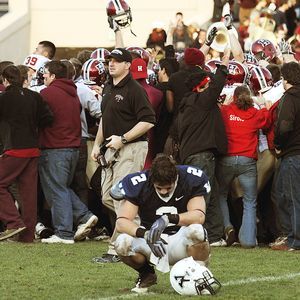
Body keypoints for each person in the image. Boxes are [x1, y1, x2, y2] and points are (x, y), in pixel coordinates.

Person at [90, 48, 156, 262]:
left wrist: (124, 139)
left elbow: (148, 121)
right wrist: (97, 144)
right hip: (111, 148)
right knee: (108, 196)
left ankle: (117, 250)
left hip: (131, 147)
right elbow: (105, 119)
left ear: (128, 65)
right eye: (110, 60)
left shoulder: (135, 89)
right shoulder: (109, 87)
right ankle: (142, 227)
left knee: (122, 198)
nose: (111, 64)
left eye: (117, 61)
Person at [112, 154, 211, 293]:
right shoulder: (139, 183)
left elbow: (199, 216)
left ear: (175, 178)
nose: (164, 191)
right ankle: (147, 274)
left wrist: (168, 219)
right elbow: (121, 222)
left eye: (168, 188)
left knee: (197, 230)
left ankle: (200, 276)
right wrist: (145, 234)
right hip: (151, 243)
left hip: (180, 240)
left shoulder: (190, 178)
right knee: (122, 243)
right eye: (159, 188)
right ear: (152, 180)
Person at [39, 60, 98, 244]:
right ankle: (84, 215)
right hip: (74, 147)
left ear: (54, 75)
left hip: (55, 147)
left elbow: (41, 118)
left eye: (46, 73)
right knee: (62, 188)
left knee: (57, 189)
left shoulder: (47, 93)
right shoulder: (73, 92)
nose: (43, 76)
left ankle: (64, 232)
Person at [177, 48, 230, 247]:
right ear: (201, 87)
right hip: (201, 156)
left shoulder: (187, 105)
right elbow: (216, 87)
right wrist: (223, 64)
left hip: (195, 155)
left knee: (212, 192)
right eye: (206, 84)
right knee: (202, 197)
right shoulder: (201, 101)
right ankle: (191, 237)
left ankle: (215, 236)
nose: (210, 87)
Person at [0, 65, 54, 242]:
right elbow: (48, 118)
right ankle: (27, 235)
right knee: (28, 194)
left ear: (5, 80)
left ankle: (13, 222)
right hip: (33, 148)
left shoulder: (3, 98)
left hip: (14, 147)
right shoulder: (35, 96)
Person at [216, 85, 270, 248]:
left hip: (227, 159)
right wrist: (264, 106)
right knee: (249, 201)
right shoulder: (255, 113)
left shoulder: (226, 111)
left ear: (234, 97)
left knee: (220, 195)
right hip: (248, 160)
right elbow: (266, 120)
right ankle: (247, 240)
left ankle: (228, 227)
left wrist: (226, 102)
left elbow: (219, 112)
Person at [271, 61, 300, 251]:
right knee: (280, 193)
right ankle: (289, 235)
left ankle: (295, 239)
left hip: (292, 153)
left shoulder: (290, 97)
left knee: (291, 196)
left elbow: (284, 126)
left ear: (286, 78)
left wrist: (278, 145)